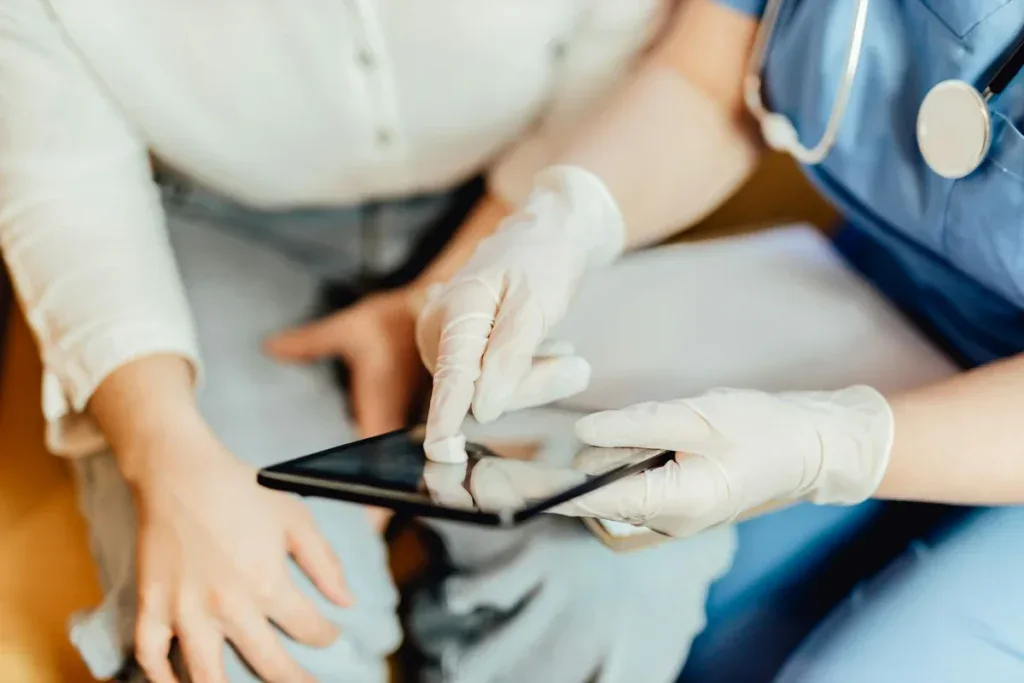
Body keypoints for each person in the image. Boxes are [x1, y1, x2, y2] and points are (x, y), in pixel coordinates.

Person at [0, 1, 738, 682]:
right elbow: (62, 178)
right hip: (202, 222)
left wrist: (454, 285)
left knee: (621, 576)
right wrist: (164, 447)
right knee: (242, 633)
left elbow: (629, 84)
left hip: (522, 207)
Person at [417, 0, 1024, 678]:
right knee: (610, 593)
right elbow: (708, 80)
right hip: (884, 296)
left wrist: (831, 445)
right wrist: (568, 216)